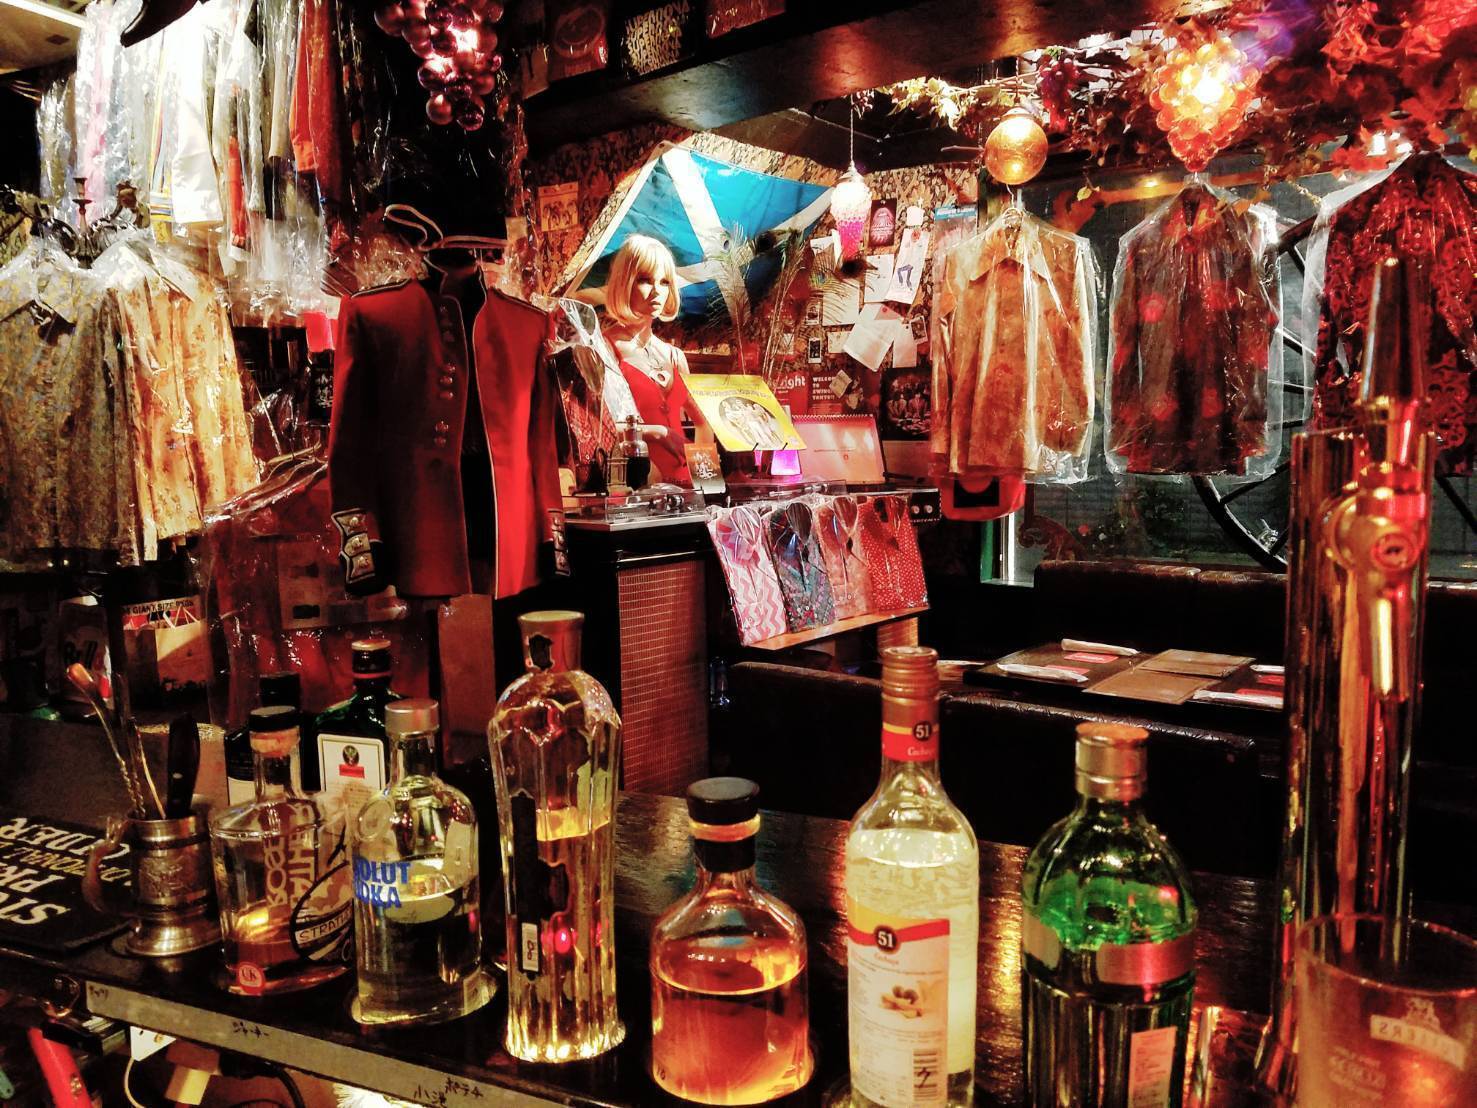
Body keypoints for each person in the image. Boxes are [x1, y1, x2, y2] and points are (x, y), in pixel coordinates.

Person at [600, 235, 705, 485]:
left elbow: (704, 423)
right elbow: (597, 430)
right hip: (635, 487)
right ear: (625, 282)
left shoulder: (674, 356)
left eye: (665, 281)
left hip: (684, 487)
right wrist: (658, 433)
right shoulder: (604, 349)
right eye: (645, 280)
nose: (657, 291)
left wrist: (705, 479)